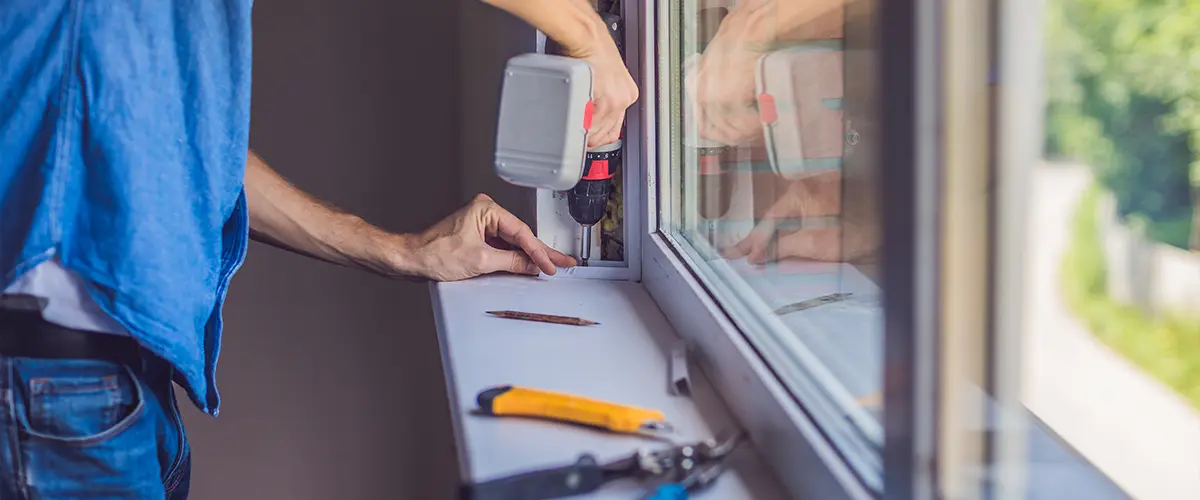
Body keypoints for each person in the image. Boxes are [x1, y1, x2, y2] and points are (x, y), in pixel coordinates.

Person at [0, 0, 636, 498]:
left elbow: (195, 152)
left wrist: (401, 251)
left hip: (117, 380)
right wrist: (582, 31)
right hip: (53, 386)